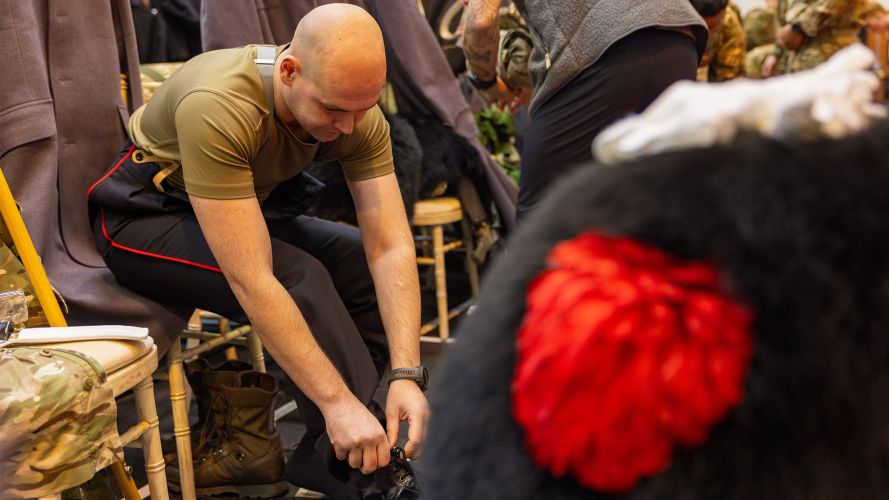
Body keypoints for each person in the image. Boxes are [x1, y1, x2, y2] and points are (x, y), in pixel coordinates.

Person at [87, 4, 428, 499]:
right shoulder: (220, 104)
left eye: (362, 109)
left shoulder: (353, 113)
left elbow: (390, 245)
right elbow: (254, 279)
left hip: (233, 205)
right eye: (334, 110)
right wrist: (336, 402)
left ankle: (346, 445)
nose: (349, 126)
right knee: (299, 277)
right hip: (139, 219)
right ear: (289, 71)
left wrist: (407, 374)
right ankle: (368, 475)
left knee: (354, 259)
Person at [462, 0, 707, 221]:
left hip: (602, 52)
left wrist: (486, 83)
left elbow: (480, 23)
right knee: (647, 209)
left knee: (539, 216)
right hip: (679, 37)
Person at [761, 0, 867, 77]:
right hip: (797, 61)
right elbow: (783, 18)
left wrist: (799, 27)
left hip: (832, 57)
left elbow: (830, 6)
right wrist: (776, 54)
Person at [693, 0, 748, 82]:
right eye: (702, 26)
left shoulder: (730, 26)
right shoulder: (676, 16)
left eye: (713, 27)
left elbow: (729, 74)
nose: (707, 32)